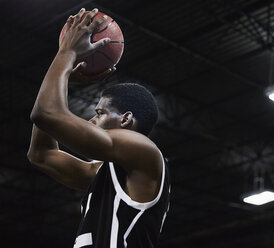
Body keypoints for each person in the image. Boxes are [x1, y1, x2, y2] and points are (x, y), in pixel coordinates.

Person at [27, 8, 170, 248]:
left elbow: (46, 114)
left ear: (125, 120)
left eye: (100, 113)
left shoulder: (145, 152)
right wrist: (65, 80)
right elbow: (41, 155)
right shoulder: (102, 174)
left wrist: (66, 54)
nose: (92, 120)